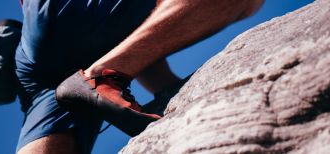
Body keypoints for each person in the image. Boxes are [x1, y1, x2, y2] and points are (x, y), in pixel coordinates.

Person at [15, 0, 265, 153]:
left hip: (38, 47)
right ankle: (100, 77)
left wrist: (173, 95)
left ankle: (101, 78)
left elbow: (137, 37)